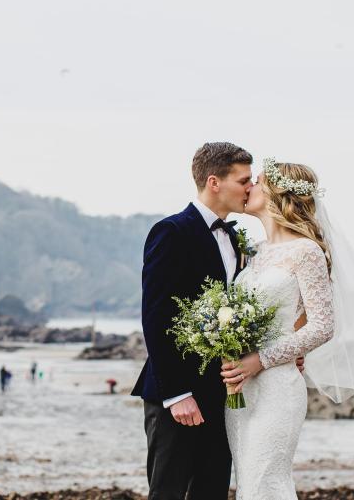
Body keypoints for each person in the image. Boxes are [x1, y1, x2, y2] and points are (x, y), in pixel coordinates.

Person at [219, 158, 354, 499]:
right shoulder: (253, 252)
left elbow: (322, 326)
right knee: (247, 481)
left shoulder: (306, 252)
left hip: (276, 387)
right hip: (241, 389)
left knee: (266, 480)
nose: (249, 188)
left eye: (256, 181)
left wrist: (263, 359)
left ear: (277, 193)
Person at [131, 142, 253, 500]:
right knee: (168, 492)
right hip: (178, 395)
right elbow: (156, 315)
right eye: (243, 180)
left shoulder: (234, 238)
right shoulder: (171, 232)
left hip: (221, 392)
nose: (250, 188)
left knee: (211, 491)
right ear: (214, 182)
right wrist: (176, 393)